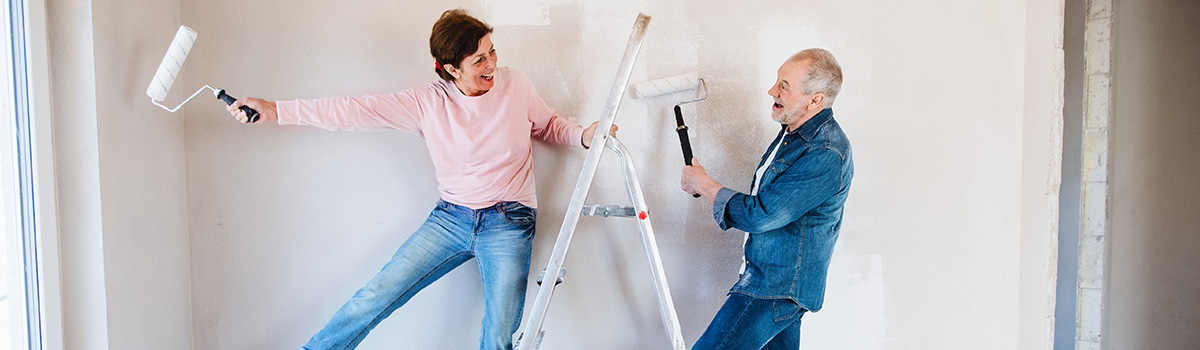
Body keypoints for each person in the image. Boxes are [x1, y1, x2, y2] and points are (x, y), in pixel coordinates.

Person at [226, 9, 616, 350]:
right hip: (451, 219)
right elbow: (352, 111)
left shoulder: (516, 84)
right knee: (375, 296)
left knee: (500, 335)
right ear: (451, 68)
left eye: (492, 51)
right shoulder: (428, 102)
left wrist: (584, 135)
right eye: (479, 59)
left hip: (509, 221)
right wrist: (275, 110)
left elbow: (549, 125)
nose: (492, 64)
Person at [680, 48, 853, 349]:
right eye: (777, 80)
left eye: (784, 85)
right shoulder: (794, 134)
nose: (772, 90)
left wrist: (705, 185)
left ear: (815, 100)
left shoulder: (824, 151)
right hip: (773, 283)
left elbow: (762, 214)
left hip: (774, 287)